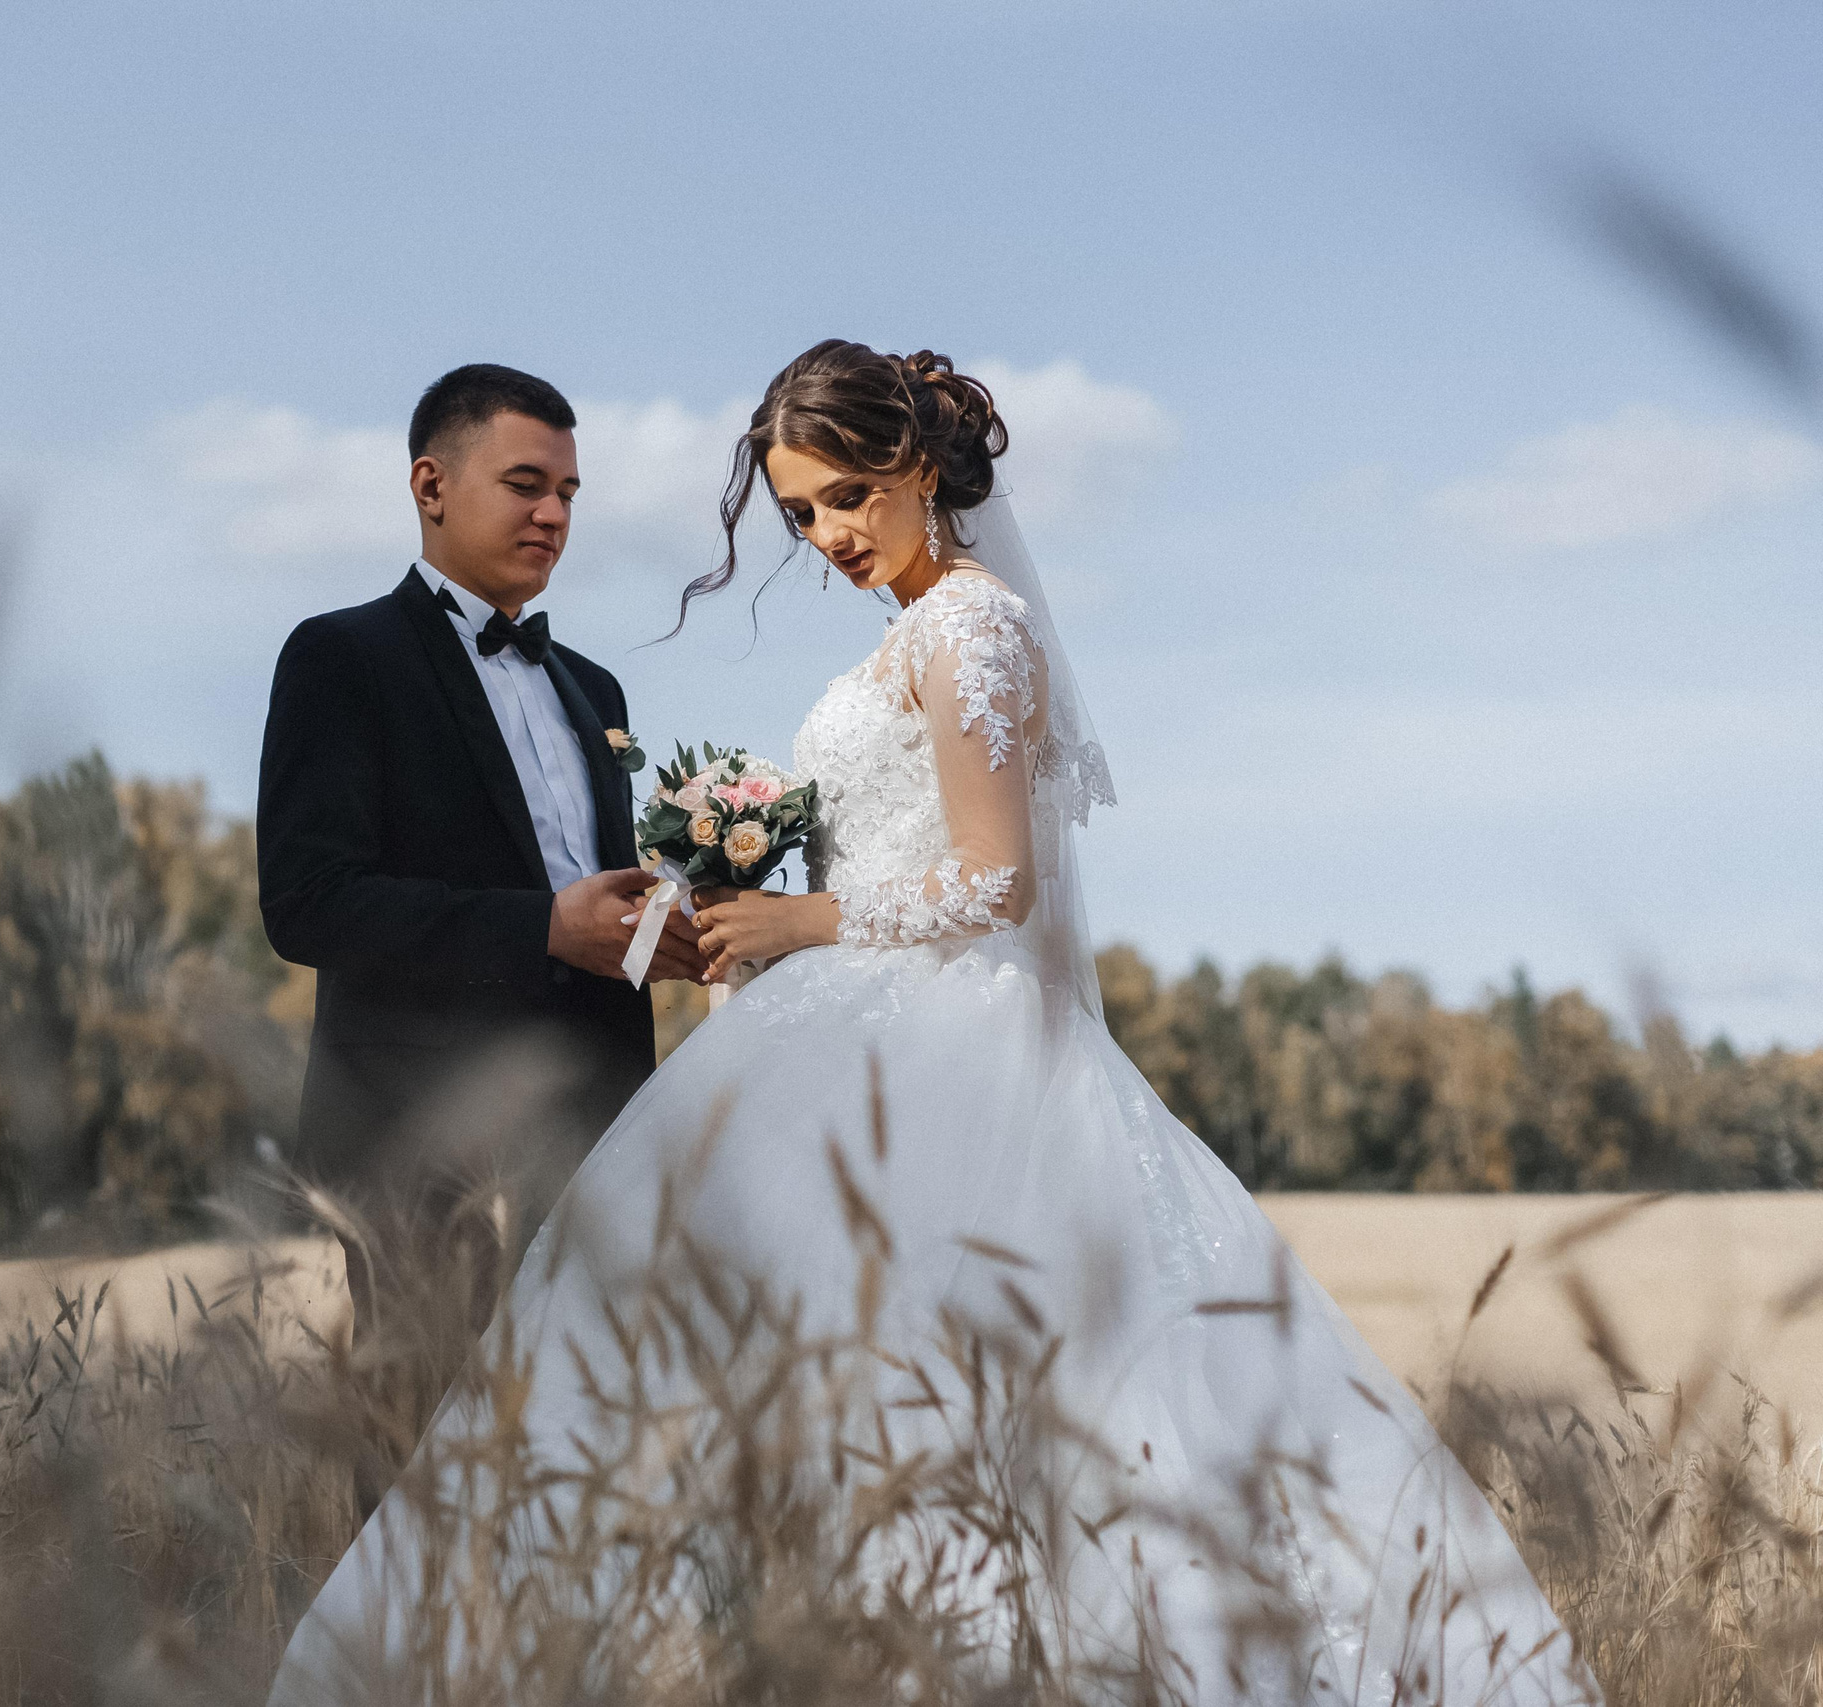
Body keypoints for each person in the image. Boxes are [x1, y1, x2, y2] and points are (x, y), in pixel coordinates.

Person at [269, 342, 1595, 1702]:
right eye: (798, 514)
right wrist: (744, 909)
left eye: (846, 495)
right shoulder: (900, 632)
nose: (828, 535)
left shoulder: (973, 624)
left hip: (942, 1054)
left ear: (918, 466)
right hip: (803, 1037)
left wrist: (804, 922)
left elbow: (997, 876)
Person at [257, 363, 702, 1332]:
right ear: (430, 487)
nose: (554, 514)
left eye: (569, 493)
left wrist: (653, 931)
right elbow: (308, 901)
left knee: (583, 1459)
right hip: (418, 1139)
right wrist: (543, 926)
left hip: (598, 1134)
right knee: (425, 1459)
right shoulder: (340, 659)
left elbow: (591, 900)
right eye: (525, 484)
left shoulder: (596, 691)